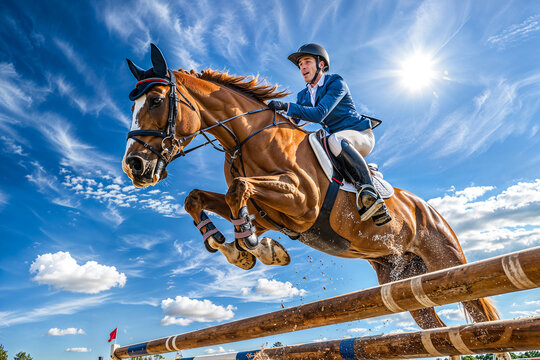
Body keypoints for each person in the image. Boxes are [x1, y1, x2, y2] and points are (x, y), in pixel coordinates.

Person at [268, 43, 391, 226]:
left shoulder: (335, 82)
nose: (303, 67)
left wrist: (286, 106)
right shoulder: (303, 95)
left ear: (321, 65)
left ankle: (370, 193)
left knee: (334, 139)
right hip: (337, 143)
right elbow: (295, 123)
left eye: (307, 62)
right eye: (300, 64)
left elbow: (319, 113)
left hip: (360, 135)